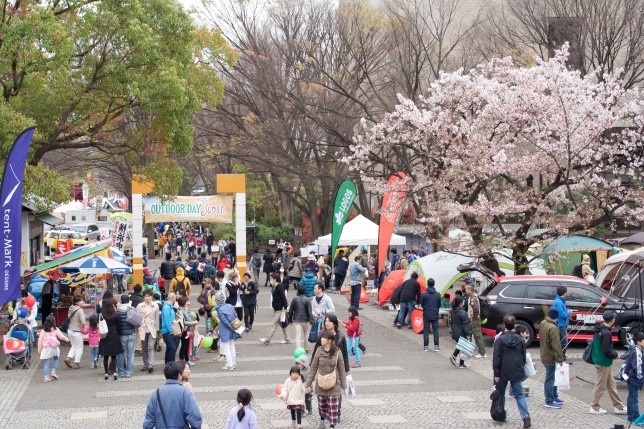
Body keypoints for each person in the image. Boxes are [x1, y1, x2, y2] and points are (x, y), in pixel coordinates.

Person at [493, 315, 531, 428]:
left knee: (501, 393)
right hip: (516, 369)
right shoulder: (520, 339)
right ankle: (525, 416)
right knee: (519, 395)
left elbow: (496, 358)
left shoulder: (500, 340)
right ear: (514, 325)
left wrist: (496, 373)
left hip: (503, 370)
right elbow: (523, 356)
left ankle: (501, 414)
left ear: (504, 325)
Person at [305, 330, 348, 429]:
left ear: (329, 340)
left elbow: (341, 368)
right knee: (322, 406)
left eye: (323, 338)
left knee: (333, 407)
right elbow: (313, 368)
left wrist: (344, 384)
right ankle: (322, 420)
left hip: (334, 384)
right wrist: (308, 382)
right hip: (321, 383)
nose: (321, 339)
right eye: (321, 337)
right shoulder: (319, 350)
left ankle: (332, 426)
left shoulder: (337, 351)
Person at [143, 361, 202, 429]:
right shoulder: (185, 392)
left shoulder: (156, 393)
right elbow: (194, 416)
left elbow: (149, 419)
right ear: (179, 375)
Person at [589, 310, 627, 415]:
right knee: (600, 386)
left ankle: (619, 406)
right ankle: (594, 406)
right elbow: (606, 350)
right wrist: (615, 355)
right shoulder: (606, 332)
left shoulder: (600, 328)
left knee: (612, 385)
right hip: (603, 362)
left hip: (602, 361)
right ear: (613, 320)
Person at [540, 307, 564, 409]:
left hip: (544, 354)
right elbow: (556, 346)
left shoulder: (543, 323)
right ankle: (549, 400)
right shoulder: (553, 328)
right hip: (550, 356)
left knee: (553, 377)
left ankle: (554, 396)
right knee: (550, 378)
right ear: (556, 317)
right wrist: (560, 359)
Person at [260, 273, 291, 345]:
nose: (270, 280)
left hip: (280, 310)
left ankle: (267, 340)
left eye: (271, 279)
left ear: (275, 279)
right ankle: (288, 339)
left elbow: (284, 298)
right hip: (277, 309)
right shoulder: (276, 286)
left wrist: (285, 307)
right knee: (283, 325)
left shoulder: (279, 287)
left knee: (274, 324)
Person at [99, 293, 124, 381]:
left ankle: (106, 373)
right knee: (114, 356)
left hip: (105, 335)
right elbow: (119, 326)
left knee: (105, 356)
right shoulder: (116, 314)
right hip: (114, 334)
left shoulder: (102, 315)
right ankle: (115, 372)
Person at [38, 315, 70, 383]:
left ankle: (46, 377)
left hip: (46, 348)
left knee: (46, 363)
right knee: (56, 358)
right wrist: (67, 339)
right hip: (54, 348)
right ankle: (53, 371)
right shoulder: (55, 329)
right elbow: (61, 337)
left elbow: (40, 341)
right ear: (53, 321)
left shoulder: (43, 331)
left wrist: (39, 350)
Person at [138, 289, 159, 373]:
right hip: (143, 328)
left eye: (149, 296)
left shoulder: (155, 306)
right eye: (146, 296)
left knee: (150, 346)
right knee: (144, 347)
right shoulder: (140, 306)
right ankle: (146, 364)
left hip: (152, 328)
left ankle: (150, 364)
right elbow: (137, 317)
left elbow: (157, 318)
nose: (147, 298)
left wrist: (157, 330)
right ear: (144, 297)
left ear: (152, 296)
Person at [217, 291, 239, 371]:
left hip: (225, 330)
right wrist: (233, 327)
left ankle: (229, 364)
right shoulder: (230, 306)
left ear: (217, 301)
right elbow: (235, 315)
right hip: (233, 328)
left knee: (226, 347)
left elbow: (224, 321)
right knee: (232, 346)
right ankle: (233, 362)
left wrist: (230, 327)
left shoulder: (220, 310)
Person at [625, 332, 644, 423]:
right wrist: (640, 379)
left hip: (632, 377)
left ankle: (631, 416)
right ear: (639, 342)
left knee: (632, 397)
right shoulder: (637, 351)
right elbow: (637, 366)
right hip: (634, 378)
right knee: (633, 398)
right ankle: (634, 417)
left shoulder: (637, 350)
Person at [116, 294, 136, 378]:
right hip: (131, 334)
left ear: (121, 301)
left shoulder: (118, 311)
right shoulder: (131, 309)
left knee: (120, 354)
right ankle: (128, 372)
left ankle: (120, 372)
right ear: (129, 301)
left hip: (121, 335)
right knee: (130, 354)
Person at [64, 295, 86, 369]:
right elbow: (83, 322)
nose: (82, 301)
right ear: (77, 302)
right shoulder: (79, 310)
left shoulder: (71, 308)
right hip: (77, 331)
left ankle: (68, 358)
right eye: (81, 300)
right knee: (79, 347)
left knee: (74, 346)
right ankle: (77, 362)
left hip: (70, 330)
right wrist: (83, 327)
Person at [289, 284, 313, 353]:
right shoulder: (307, 300)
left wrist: (290, 319)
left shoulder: (294, 299)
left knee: (298, 335)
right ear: (304, 291)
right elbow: (309, 311)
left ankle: (298, 349)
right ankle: (306, 348)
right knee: (306, 334)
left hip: (296, 319)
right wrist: (311, 320)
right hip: (305, 320)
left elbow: (291, 310)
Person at [551, 286, 573, 361]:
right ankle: (561, 357)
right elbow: (562, 315)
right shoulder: (559, 302)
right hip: (561, 324)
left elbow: (562, 310)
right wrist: (569, 312)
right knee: (564, 341)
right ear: (564, 293)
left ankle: (560, 356)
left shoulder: (560, 300)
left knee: (562, 340)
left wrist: (566, 310)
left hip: (562, 323)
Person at [465, 283, 487, 358]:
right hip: (474, 320)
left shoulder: (473, 298)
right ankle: (469, 350)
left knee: (477, 336)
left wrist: (472, 317)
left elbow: (475, 309)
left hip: (475, 320)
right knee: (470, 334)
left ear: (470, 290)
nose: (466, 290)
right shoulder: (472, 297)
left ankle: (482, 353)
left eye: (467, 289)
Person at [419, 278, 441, 352]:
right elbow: (439, 304)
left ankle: (426, 347)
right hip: (435, 313)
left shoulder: (424, 294)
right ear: (434, 284)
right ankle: (436, 347)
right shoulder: (438, 294)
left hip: (426, 313)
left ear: (427, 284)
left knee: (426, 330)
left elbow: (421, 304)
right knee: (435, 330)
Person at [449, 296, 470, 369]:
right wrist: (467, 334)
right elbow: (465, 324)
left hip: (455, 332)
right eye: (463, 301)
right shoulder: (463, 312)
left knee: (461, 347)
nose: (464, 301)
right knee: (462, 347)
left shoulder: (453, 310)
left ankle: (461, 363)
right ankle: (454, 356)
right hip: (461, 332)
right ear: (461, 303)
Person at [177, 296, 197, 364]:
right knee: (185, 345)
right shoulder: (181, 311)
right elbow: (183, 322)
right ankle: (184, 358)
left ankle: (185, 358)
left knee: (186, 344)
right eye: (187, 301)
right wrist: (192, 322)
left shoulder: (183, 309)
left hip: (186, 330)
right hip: (184, 330)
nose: (188, 303)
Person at [161, 293, 178, 364]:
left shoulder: (169, 307)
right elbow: (167, 321)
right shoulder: (166, 308)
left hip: (169, 331)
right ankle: (171, 364)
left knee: (169, 348)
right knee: (172, 348)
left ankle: (168, 363)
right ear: (174, 298)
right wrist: (171, 331)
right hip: (167, 331)